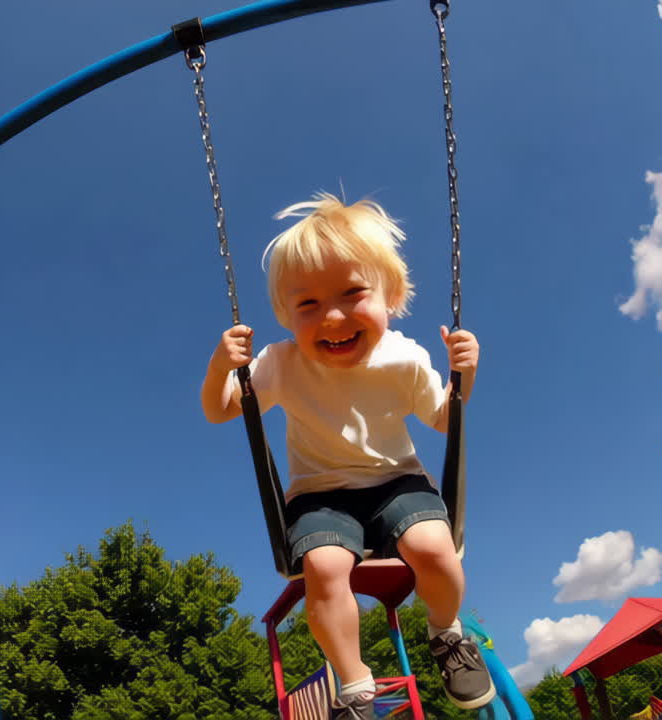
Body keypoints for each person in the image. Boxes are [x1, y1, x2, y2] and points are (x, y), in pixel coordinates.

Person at [200, 192, 494, 717]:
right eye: (307, 304)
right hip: (318, 497)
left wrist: (464, 376)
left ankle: (447, 634)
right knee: (324, 568)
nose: (332, 316)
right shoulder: (279, 363)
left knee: (435, 547)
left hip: (398, 482)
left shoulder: (404, 357)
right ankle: (355, 685)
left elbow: (448, 420)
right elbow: (222, 410)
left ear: (391, 296)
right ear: (286, 315)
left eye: (352, 293)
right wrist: (221, 367)